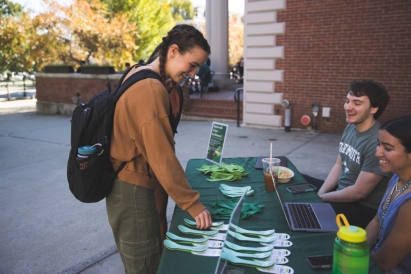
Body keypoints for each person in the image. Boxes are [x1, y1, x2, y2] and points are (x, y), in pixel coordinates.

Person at [106, 24, 212, 274]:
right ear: (173, 51)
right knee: (146, 268)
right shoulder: (150, 89)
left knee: (147, 262)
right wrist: (193, 204)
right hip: (132, 190)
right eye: (193, 64)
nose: (194, 73)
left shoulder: (140, 73)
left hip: (131, 187)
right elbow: (162, 156)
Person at [303, 79, 391, 228]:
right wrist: (321, 193)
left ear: (373, 109)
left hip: (362, 209)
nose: (348, 107)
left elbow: (359, 193)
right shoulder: (351, 126)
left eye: (357, 103)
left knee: (305, 212)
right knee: (297, 180)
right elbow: (339, 164)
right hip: (340, 191)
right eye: (347, 101)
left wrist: (322, 198)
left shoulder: (376, 142)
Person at [365, 116, 411, 273]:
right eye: (378, 145)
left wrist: (345, 255)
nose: (378, 153)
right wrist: (357, 247)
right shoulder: (397, 177)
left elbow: (385, 262)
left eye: (388, 148)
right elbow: (377, 220)